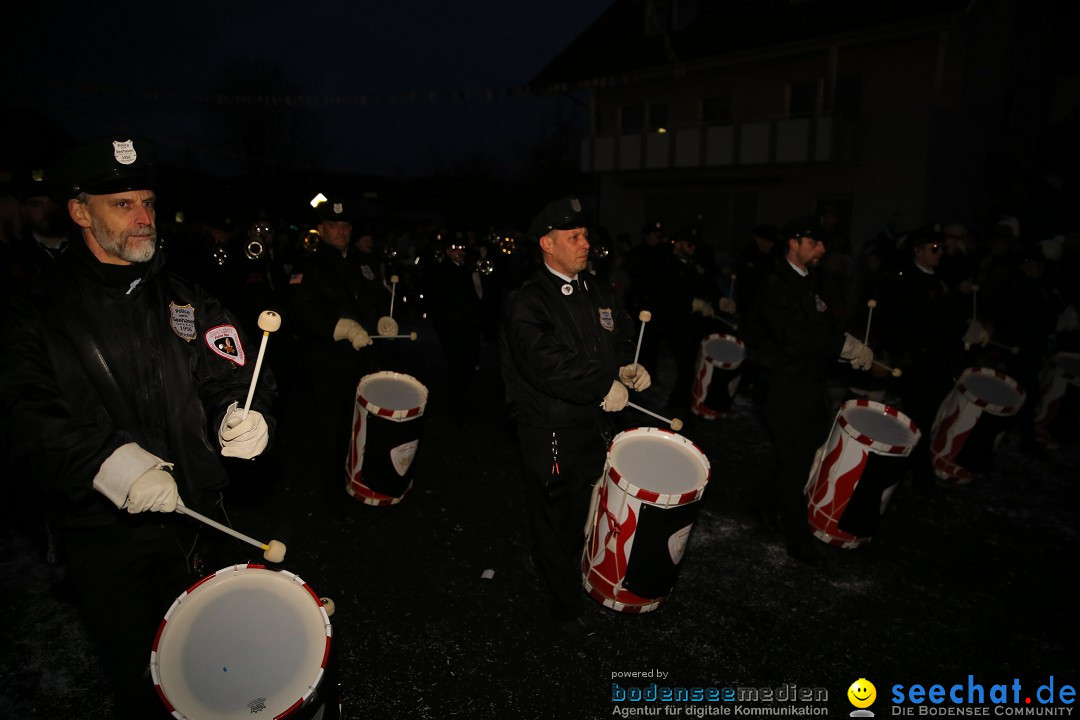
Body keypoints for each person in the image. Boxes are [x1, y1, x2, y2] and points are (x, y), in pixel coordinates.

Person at [0, 136, 275, 719]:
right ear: (80, 212)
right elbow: (23, 410)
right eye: (122, 204)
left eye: (147, 201)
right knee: (143, 676)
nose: (144, 217)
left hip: (198, 520)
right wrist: (109, 461)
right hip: (103, 532)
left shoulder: (185, 297)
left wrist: (244, 413)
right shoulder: (33, 307)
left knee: (215, 662)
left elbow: (233, 369)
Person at [500, 195, 651, 643]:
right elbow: (545, 361)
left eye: (585, 235)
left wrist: (627, 365)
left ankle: (559, 563)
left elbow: (617, 336)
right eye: (574, 236)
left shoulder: (597, 290)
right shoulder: (527, 300)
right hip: (549, 424)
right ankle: (563, 604)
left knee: (585, 508)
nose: (585, 243)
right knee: (554, 513)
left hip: (592, 422)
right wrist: (601, 385)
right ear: (547, 244)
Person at [744, 222, 873, 564]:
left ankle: (761, 501)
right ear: (793, 243)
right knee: (795, 460)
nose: (822, 250)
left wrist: (849, 347)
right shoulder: (773, 283)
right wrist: (840, 346)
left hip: (809, 382)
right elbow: (793, 337)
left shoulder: (812, 282)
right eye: (814, 243)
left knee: (807, 446)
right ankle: (797, 536)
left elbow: (825, 329)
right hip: (781, 384)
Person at [286, 197, 380, 505]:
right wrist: (339, 328)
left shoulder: (363, 261)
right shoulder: (308, 264)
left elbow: (373, 300)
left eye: (344, 225)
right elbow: (301, 312)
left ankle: (361, 484)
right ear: (321, 229)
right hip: (327, 362)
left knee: (364, 427)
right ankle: (334, 494)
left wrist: (384, 321)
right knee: (332, 429)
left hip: (362, 358)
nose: (340, 231)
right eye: (333, 226)